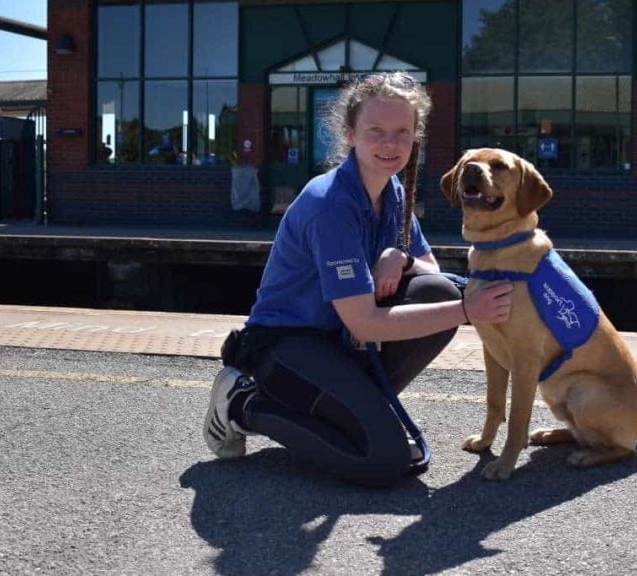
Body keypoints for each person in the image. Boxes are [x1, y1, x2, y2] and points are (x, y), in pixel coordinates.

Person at [202, 72, 512, 486]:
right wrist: (467, 309)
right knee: (383, 461)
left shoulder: (394, 191)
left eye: (402, 132)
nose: (390, 144)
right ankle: (244, 405)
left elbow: (431, 270)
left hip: (340, 342)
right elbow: (364, 323)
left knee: (433, 291)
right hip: (286, 346)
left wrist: (396, 257)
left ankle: (356, 409)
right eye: (376, 131)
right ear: (350, 134)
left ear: (415, 137)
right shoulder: (330, 204)